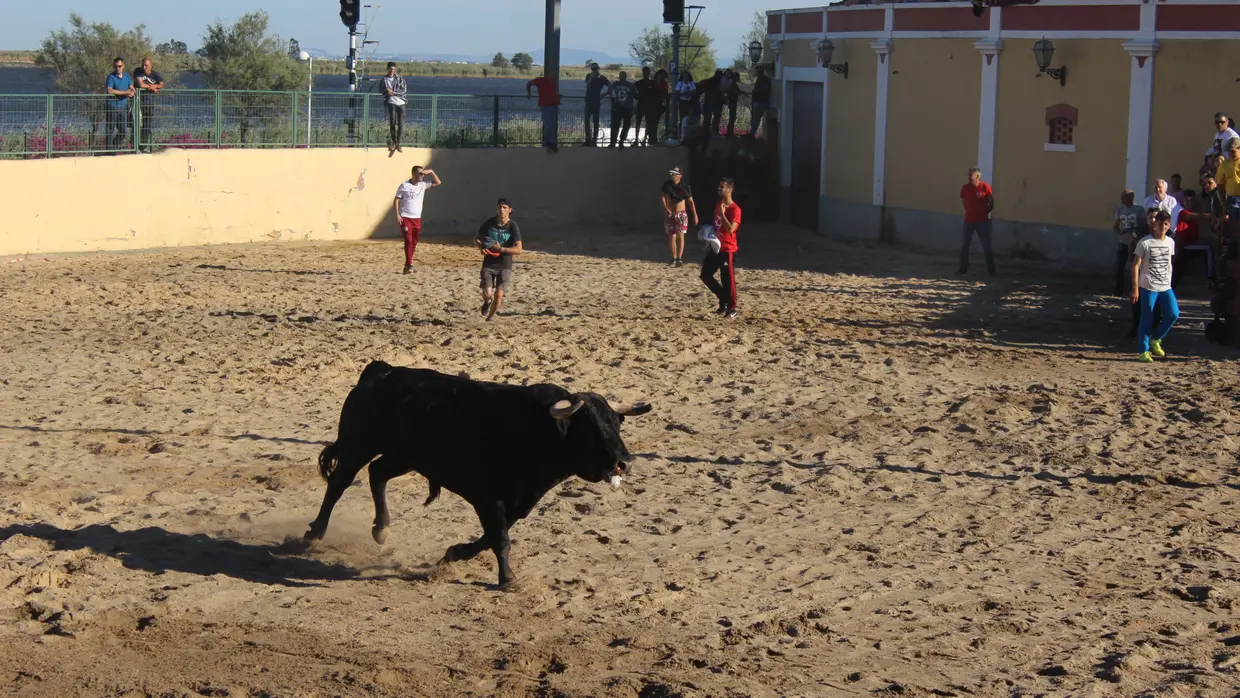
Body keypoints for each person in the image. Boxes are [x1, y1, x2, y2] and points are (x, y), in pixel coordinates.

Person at [1132, 210, 1180, 362]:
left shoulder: (1170, 242)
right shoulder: (1144, 243)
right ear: (1155, 224)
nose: (1163, 227)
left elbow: (1169, 262)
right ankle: (1143, 351)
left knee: (1173, 314)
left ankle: (1156, 338)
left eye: (1166, 224)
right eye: (1160, 224)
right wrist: (1135, 288)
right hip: (1148, 286)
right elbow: (1135, 266)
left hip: (1165, 286)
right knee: (1147, 317)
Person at [701, 177, 742, 319]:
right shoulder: (719, 204)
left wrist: (723, 214)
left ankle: (732, 309)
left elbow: (731, 229)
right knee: (705, 274)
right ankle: (723, 298)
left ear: (729, 190)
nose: (719, 189)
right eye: (719, 187)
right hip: (716, 247)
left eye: (722, 187)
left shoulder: (735, 209)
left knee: (728, 279)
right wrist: (708, 236)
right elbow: (716, 225)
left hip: (728, 249)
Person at [476, 198, 523, 321]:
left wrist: (501, 249)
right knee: (487, 294)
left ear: (510, 210)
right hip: (489, 263)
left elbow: (518, 249)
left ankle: (489, 318)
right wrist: (481, 247)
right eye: (500, 207)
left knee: (499, 294)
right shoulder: (490, 223)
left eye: (504, 207)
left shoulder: (513, 226)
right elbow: (477, 238)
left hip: (505, 265)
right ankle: (487, 302)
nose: (501, 210)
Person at [393, 166, 442, 274]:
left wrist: (432, 171)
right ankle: (409, 264)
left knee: (414, 241)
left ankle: (408, 265)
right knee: (408, 240)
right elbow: (396, 200)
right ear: (413, 174)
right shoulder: (404, 185)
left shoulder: (423, 185)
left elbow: (438, 182)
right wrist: (397, 214)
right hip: (406, 217)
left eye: (423, 174)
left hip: (417, 218)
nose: (422, 176)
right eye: (420, 173)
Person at [958, 167, 996, 276]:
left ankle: (991, 271)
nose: (969, 177)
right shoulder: (965, 188)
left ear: (978, 176)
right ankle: (963, 269)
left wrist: (985, 213)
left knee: (986, 246)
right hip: (968, 221)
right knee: (965, 245)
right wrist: (970, 212)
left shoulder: (985, 187)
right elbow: (964, 202)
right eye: (968, 175)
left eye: (971, 175)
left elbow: (991, 203)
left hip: (982, 222)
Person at [661, 166, 698, 267]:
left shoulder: (685, 187)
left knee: (680, 236)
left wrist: (695, 215)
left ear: (680, 176)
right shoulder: (667, 185)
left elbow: (690, 201)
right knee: (671, 236)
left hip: (681, 214)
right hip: (670, 214)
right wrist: (666, 208)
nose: (673, 175)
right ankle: (673, 258)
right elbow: (663, 197)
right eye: (672, 173)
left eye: (675, 173)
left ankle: (679, 258)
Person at [1113, 189, 1146, 296]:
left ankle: (1137, 288)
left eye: (1124, 197)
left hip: (1136, 242)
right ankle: (1119, 290)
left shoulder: (1139, 209)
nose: (1121, 199)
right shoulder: (1120, 210)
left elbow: (1143, 226)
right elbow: (1116, 226)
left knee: (1136, 266)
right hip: (1123, 242)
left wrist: (1135, 234)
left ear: (1131, 197)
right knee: (1119, 266)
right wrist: (1121, 233)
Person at [132, 57, 163, 153]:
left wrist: (155, 86)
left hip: (149, 103)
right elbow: (140, 84)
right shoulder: (138, 71)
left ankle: (144, 146)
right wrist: (152, 88)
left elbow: (161, 84)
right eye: (143, 65)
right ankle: (135, 146)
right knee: (137, 123)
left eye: (146, 65)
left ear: (151, 66)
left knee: (147, 125)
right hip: (138, 102)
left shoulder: (156, 74)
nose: (144, 67)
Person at [104, 57, 135, 151]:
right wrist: (125, 93)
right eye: (115, 66)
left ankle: (114, 147)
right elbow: (109, 90)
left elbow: (132, 87)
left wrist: (132, 92)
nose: (117, 68)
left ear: (123, 66)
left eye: (119, 66)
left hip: (122, 107)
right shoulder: (111, 77)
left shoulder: (127, 76)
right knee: (110, 130)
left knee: (123, 130)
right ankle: (109, 151)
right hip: (112, 107)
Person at [525, 72, 561, 152]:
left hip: (553, 105)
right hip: (546, 106)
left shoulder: (553, 82)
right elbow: (529, 84)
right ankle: (550, 142)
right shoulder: (540, 80)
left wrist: (557, 96)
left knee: (551, 124)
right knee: (549, 124)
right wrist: (529, 93)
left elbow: (551, 93)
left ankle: (549, 141)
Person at [604, 71, 636, 148]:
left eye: (622, 76)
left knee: (626, 125)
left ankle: (621, 140)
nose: (621, 77)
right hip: (618, 107)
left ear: (625, 77)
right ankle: (613, 142)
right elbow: (610, 90)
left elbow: (635, 95)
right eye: (620, 76)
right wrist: (610, 97)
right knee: (616, 125)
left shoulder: (631, 85)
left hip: (628, 108)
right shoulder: (616, 84)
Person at [382, 62, 407, 154]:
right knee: (392, 123)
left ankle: (398, 143)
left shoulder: (400, 79)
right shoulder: (384, 80)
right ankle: (393, 142)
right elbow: (381, 90)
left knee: (400, 124)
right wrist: (386, 90)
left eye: (393, 69)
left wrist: (393, 91)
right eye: (390, 69)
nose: (392, 71)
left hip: (401, 103)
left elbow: (404, 90)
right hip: (391, 102)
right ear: (387, 68)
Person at [584, 64, 610, 146]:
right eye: (592, 69)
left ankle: (594, 140)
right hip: (588, 101)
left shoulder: (602, 78)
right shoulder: (589, 76)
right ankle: (588, 139)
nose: (594, 70)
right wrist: (591, 78)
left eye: (595, 68)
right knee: (586, 121)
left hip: (596, 101)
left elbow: (610, 86)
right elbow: (588, 86)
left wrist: (604, 94)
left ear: (598, 68)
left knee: (596, 121)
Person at [633, 67, 655, 147]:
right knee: (638, 123)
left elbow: (655, 94)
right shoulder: (638, 83)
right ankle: (636, 139)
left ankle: (645, 139)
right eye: (644, 72)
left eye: (647, 72)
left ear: (649, 73)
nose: (646, 74)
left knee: (648, 123)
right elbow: (633, 92)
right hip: (641, 105)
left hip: (649, 105)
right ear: (643, 73)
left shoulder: (652, 83)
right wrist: (638, 97)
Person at [750, 67, 771, 140]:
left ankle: (751, 135)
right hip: (756, 101)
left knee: (756, 119)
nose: (756, 73)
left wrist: (756, 90)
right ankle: (751, 134)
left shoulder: (765, 80)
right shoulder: (759, 79)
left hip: (761, 102)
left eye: (757, 71)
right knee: (753, 118)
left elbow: (765, 90)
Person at [674, 71, 696, 140]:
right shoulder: (680, 84)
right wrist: (684, 94)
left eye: (687, 76)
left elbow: (694, 92)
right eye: (684, 76)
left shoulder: (691, 84)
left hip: (690, 102)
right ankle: (681, 135)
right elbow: (677, 93)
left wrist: (690, 94)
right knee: (683, 118)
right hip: (682, 102)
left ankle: (690, 135)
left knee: (690, 118)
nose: (685, 77)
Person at [721, 69, 741, 138]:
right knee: (732, 117)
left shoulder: (732, 82)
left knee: (732, 117)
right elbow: (731, 91)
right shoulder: (731, 82)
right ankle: (729, 133)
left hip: (733, 101)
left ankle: (730, 132)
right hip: (732, 101)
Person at [704, 70, 724, 139]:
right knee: (711, 117)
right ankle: (710, 133)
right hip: (712, 100)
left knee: (714, 117)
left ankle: (711, 133)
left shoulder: (717, 81)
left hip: (715, 101)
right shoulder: (712, 81)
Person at [653, 69, 670, 142]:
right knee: (652, 122)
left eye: (664, 76)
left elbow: (665, 94)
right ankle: (651, 137)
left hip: (660, 105)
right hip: (652, 104)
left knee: (656, 121)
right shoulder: (653, 83)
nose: (662, 77)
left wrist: (664, 103)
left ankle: (654, 138)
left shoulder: (664, 83)